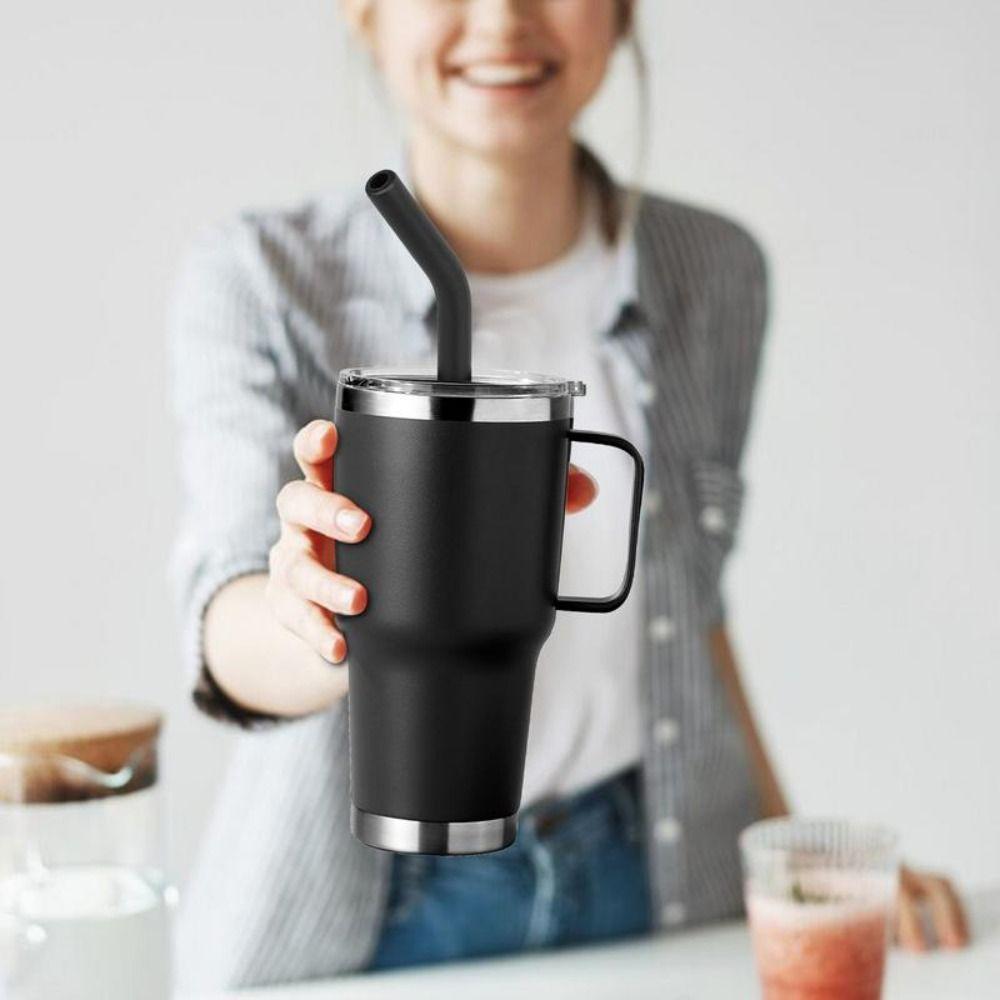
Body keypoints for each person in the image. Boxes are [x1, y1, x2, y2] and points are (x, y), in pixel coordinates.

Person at [168, 0, 968, 990]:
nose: (503, 20)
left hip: (655, 872)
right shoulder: (262, 276)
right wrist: (315, 617)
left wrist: (794, 867)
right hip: (371, 918)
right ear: (364, 14)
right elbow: (225, 621)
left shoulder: (710, 271)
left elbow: (692, 614)